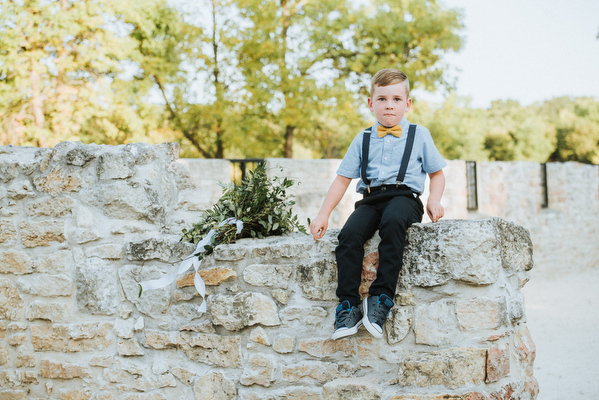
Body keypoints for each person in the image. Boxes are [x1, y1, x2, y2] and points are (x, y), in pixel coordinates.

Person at [309, 68, 446, 340]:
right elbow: (341, 180)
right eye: (382, 99)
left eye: (396, 99)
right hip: (370, 199)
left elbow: (437, 173)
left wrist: (434, 198)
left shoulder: (420, 135)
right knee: (349, 235)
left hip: (404, 198)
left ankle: (381, 299)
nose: (389, 105)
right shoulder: (363, 138)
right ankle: (347, 306)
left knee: (393, 222)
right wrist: (323, 214)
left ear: (407, 104)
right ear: (371, 103)